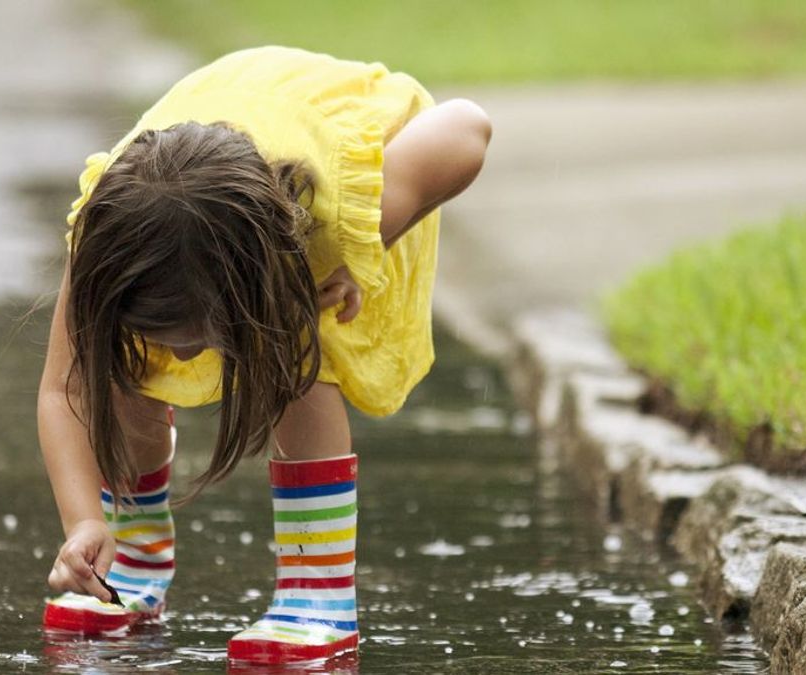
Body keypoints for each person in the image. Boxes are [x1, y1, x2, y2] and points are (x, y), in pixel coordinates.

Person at [37, 45, 491, 664]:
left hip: (317, 128)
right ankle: (132, 549)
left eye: (202, 333)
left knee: (300, 363)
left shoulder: (332, 210)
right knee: (114, 362)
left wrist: (367, 242)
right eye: (167, 333)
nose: (186, 353)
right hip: (203, 157)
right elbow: (63, 389)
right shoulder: (107, 241)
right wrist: (83, 521)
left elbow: (468, 126)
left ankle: (317, 591)